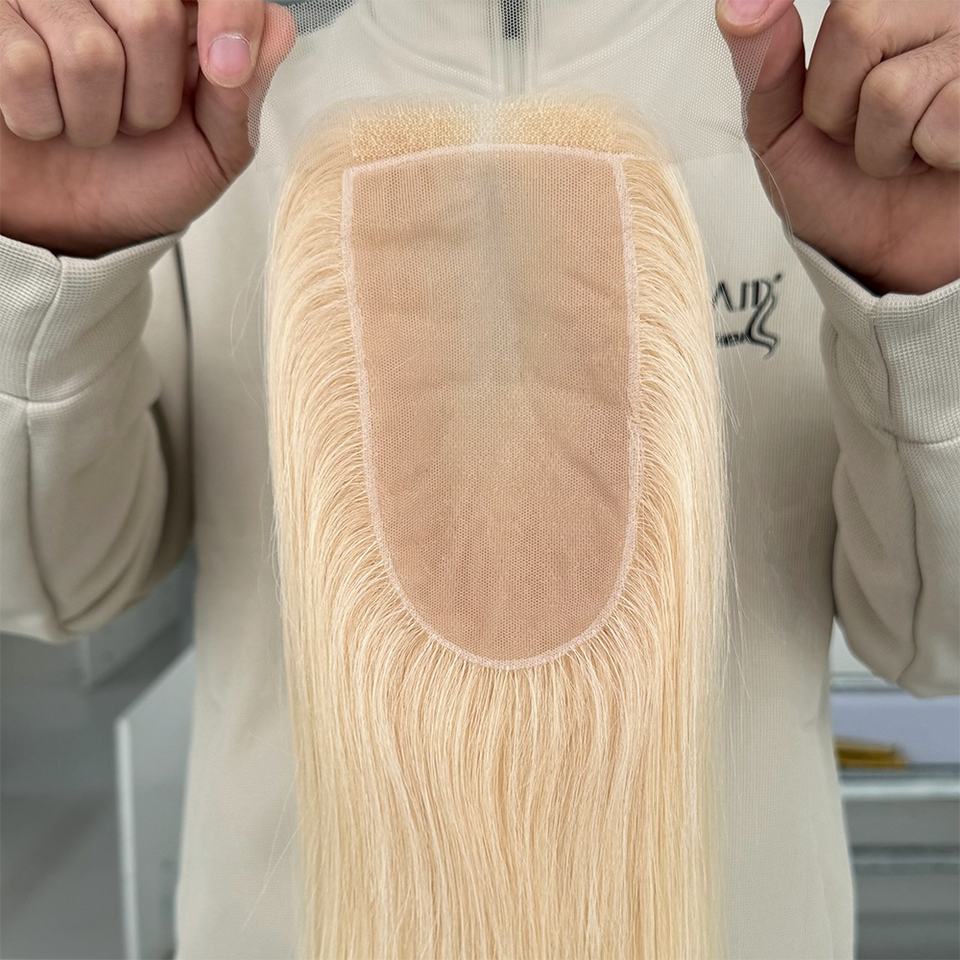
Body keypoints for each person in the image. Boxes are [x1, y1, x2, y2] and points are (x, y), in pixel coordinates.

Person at [1, 0, 957, 956]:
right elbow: (52, 584)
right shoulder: (189, 58)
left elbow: (933, 645)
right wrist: (47, 259)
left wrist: (926, 305)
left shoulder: (840, 73)